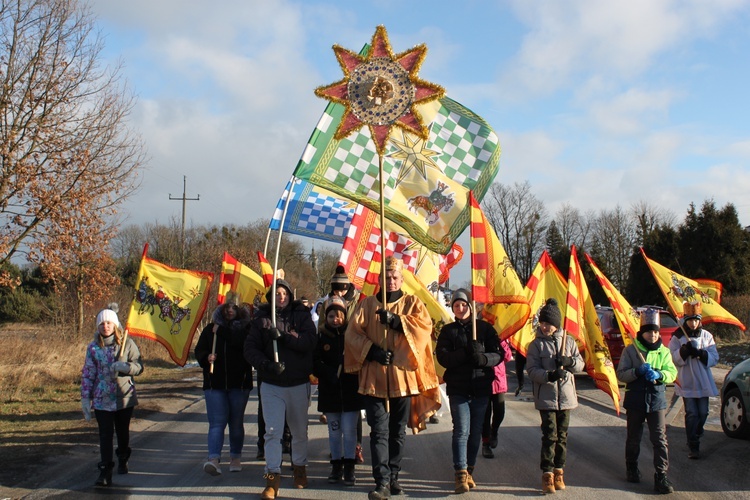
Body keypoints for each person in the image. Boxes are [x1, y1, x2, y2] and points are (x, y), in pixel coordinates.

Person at [344, 256, 441, 500]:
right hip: (374, 378)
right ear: (379, 279)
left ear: (401, 279)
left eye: (395, 277)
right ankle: (382, 481)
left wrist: (398, 321)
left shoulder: (412, 303)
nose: (391, 281)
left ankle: (394, 475)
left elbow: (424, 329)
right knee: (378, 431)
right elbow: (352, 335)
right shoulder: (366, 306)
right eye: (386, 277)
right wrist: (372, 351)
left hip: (402, 378)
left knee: (397, 430)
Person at [244, 278, 317, 500]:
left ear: (290, 295)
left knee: (298, 431)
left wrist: (284, 338)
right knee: (272, 432)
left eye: (284, 293)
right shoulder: (261, 320)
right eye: (277, 293)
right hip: (272, 384)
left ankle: (300, 468)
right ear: (271, 297)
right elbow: (250, 349)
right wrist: (266, 365)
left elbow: (308, 343)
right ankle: (271, 477)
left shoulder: (302, 316)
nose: (281, 297)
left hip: (297, 382)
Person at [435, 289, 502, 494]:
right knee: (461, 430)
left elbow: (498, 354)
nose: (461, 308)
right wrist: (465, 352)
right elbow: (443, 358)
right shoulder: (448, 331)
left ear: (470, 307)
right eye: (457, 305)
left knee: (475, 433)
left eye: (464, 305)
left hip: (481, 389)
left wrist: (483, 359)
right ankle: (460, 472)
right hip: (458, 389)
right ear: (453, 308)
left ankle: (470, 469)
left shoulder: (485, 329)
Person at [526, 298, 584, 494]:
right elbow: (532, 370)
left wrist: (568, 361)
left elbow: (580, 364)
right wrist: (549, 375)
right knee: (550, 435)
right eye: (542, 323)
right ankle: (547, 474)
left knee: (562, 436)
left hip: (566, 397)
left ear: (556, 324)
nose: (545, 327)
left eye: (548, 323)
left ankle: (560, 470)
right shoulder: (536, 345)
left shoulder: (568, 341)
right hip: (546, 398)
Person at [617, 308, 678, 494]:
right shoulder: (631, 350)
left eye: (656, 332)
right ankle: (632, 467)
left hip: (656, 400)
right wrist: (637, 372)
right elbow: (621, 374)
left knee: (659, 439)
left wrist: (659, 374)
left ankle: (661, 474)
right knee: (633, 437)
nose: (653, 335)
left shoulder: (664, 352)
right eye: (650, 331)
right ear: (642, 332)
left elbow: (672, 373)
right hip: (635, 400)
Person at [81, 306, 143, 487]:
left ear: (115, 325)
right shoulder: (93, 348)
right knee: (105, 434)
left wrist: (126, 368)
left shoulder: (127, 343)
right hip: (102, 398)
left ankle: (123, 456)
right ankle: (105, 470)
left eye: (108, 323)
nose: (105, 326)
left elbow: (139, 366)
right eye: (101, 323)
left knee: (122, 432)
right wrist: (86, 398)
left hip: (123, 396)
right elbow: (88, 373)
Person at [194, 300, 253, 476]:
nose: (229, 310)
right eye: (226, 307)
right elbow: (199, 351)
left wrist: (222, 331)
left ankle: (235, 457)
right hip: (215, 383)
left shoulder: (246, 329)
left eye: (234, 307)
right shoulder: (210, 329)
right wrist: (206, 358)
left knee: (235, 423)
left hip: (239, 384)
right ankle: (213, 459)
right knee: (216, 423)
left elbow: (242, 344)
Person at [313, 295, 364, 486]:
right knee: (334, 431)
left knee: (349, 431)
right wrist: (328, 373)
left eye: (339, 316)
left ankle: (349, 466)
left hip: (351, 392)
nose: (336, 319)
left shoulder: (352, 336)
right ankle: (336, 465)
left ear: (345, 317)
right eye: (332, 315)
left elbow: (361, 357)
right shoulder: (321, 337)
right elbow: (315, 363)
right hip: (330, 391)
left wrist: (349, 363)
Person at [668, 301, 719, 459]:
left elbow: (714, 356)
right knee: (691, 413)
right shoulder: (678, 336)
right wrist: (683, 351)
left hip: (703, 380)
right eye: (690, 320)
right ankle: (693, 444)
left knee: (703, 413)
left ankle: (697, 431)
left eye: (696, 320)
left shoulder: (707, 336)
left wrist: (702, 354)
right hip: (687, 380)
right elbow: (673, 357)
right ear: (685, 320)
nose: (693, 323)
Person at [328, 264, 365, 464]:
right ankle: (336, 449)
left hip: (352, 358)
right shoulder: (329, 302)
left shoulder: (358, 302)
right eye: (336, 289)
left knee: (353, 410)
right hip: (333, 357)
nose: (339, 292)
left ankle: (356, 446)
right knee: (335, 410)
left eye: (342, 289)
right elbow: (322, 327)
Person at [481, 335, 513, 459]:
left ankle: (494, 431)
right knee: (485, 414)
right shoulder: (479, 335)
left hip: (498, 380)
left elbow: (507, 356)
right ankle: (486, 443)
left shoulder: (501, 338)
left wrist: (502, 343)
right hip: (483, 380)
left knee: (500, 411)